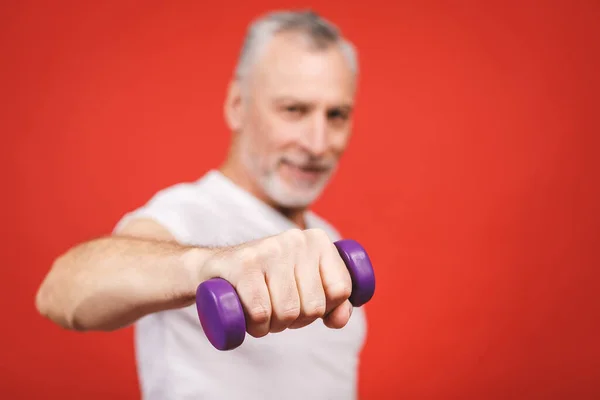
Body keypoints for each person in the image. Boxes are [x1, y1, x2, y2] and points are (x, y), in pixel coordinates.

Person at [35, 9, 367, 400]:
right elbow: (60, 293)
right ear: (236, 106)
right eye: (293, 110)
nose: (316, 143)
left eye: (336, 115)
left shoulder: (327, 239)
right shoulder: (185, 213)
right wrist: (208, 265)